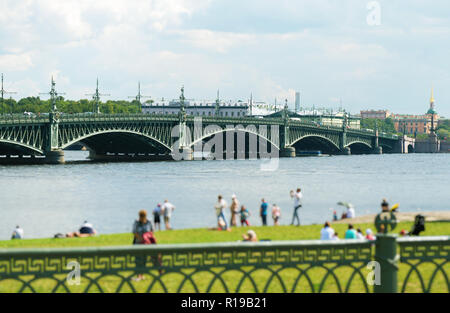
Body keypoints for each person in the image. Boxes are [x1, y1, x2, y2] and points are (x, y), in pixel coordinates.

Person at [132, 210, 156, 281]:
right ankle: (138, 275)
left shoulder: (149, 222)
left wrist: (147, 238)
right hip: (138, 244)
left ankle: (141, 275)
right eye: (141, 217)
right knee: (138, 259)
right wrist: (141, 239)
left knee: (144, 259)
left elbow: (152, 231)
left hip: (146, 244)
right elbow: (134, 232)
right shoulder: (136, 222)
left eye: (143, 217)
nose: (142, 218)